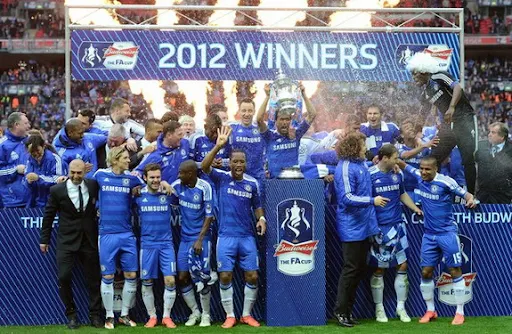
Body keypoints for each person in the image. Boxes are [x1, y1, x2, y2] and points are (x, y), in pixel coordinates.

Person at [398, 155, 477, 325]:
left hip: (447, 233)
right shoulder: (419, 175)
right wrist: (388, 159)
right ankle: (430, 310)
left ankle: (460, 312)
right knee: (426, 271)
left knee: (454, 269)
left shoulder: (446, 182)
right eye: (422, 168)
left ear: (436, 169)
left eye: (428, 169)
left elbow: (466, 194)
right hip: (429, 235)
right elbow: (404, 165)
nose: (423, 172)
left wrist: (471, 200)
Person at [201, 126, 266, 329]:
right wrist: (218, 146)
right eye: (235, 161)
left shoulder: (252, 183)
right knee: (225, 275)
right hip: (226, 236)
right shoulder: (221, 178)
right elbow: (204, 167)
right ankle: (230, 315)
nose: (238, 165)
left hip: (247, 237)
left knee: (253, 276)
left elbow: (257, 206)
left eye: (241, 162)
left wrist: (262, 219)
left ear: (246, 164)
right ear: (230, 163)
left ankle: (246, 314)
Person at [40, 159, 103, 330]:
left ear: (85, 172)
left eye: (79, 173)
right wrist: (44, 239)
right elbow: (49, 215)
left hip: (88, 240)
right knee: (64, 277)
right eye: (72, 172)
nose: (75, 176)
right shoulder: (57, 190)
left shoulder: (93, 185)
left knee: (94, 279)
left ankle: (95, 315)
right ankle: (71, 315)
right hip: (66, 241)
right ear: (68, 172)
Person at [406, 52, 477, 195]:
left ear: (423, 70)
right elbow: (423, 111)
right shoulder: (425, 92)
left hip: (464, 120)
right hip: (447, 127)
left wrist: (451, 107)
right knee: (433, 158)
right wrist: (416, 129)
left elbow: (457, 88)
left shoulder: (439, 76)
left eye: (415, 74)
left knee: (468, 159)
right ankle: (434, 192)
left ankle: (471, 195)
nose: (413, 78)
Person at [333, 132, 384, 328]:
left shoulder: (361, 163)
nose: (366, 149)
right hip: (351, 226)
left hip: (364, 225)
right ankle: (340, 312)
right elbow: (346, 198)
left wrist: (377, 164)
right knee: (351, 269)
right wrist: (372, 201)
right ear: (354, 147)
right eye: (363, 146)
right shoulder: (344, 168)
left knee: (359, 269)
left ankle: (348, 311)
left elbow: (366, 176)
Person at [368, 144, 423, 323]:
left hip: (398, 226)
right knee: (379, 268)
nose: (397, 160)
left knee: (403, 265)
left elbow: (402, 194)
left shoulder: (397, 174)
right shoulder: (370, 175)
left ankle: (401, 307)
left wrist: (415, 208)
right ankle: (379, 308)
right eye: (394, 157)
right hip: (379, 229)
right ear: (385, 158)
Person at [93, 147, 145, 329]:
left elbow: (148, 187)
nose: (128, 161)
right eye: (124, 158)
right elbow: (86, 188)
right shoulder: (100, 175)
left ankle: (124, 314)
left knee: (131, 274)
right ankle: (109, 316)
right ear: (114, 160)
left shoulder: (131, 178)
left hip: (127, 234)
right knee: (107, 275)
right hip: (107, 233)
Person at [171, 160, 215, 327]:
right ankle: (195, 311)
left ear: (190, 174)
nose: (178, 175)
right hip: (184, 239)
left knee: (202, 277)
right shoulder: (178, 186)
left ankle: (206, 314)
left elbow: (209, 215)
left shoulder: (205, 187)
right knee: (182, 277)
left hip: (201, 239)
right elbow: (169, 196)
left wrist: (200, 239)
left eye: (181, 173)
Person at [135, 163, 177, 329]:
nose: (155, 180)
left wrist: (169, 187)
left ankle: (166, 317)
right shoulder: (138, 195)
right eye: (152, 177)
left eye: (158, 177)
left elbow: (179, 198)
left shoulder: (167, 193)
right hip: (147, 244)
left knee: (170, 280)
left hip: (166, 244)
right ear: (145, 178)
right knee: (147, 280)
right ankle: (152, 316)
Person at [257, 83, 317, 178]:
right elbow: (259, 120)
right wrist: (267, 97)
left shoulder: (296, 134)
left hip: (293, 182)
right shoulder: (270, 136)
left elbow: (312, 115)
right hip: (275, 183)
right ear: (276, 121)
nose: (285, 122)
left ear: (291, 120)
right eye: (281, 119)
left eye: (287, 119)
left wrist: (304, 95)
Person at [25, 134, 67, 207]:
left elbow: (59, 180)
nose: (35, 154)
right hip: (35, 203)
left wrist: (39, 178)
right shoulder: (29, 160)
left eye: (37, 150)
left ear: (43, 146)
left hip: (52, 203)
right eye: (32, 151)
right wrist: (28, 181)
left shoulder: (55, 159)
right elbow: (25, 179)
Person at [475, 122, 512, 204]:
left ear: (502, 136)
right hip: (483, 195)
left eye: (493, 132)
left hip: (504, 196)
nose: (489, 135)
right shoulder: (480, 146)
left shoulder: (511, 151)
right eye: (489, 132)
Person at [230, 98, 265, 183]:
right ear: (239, 111)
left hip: (258, 177)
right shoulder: (232, 128)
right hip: (238, 177)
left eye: (250, 111)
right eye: (243, 111)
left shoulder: (261, 128)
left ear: (254, 112)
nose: (246, 114)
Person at [0, 112, 31, 208]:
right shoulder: (2, 145)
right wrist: (15, 169)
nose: (29, 126)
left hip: (32, 201)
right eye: (25, 123)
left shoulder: (30, 141)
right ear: (16, 125)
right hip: (12, 202)